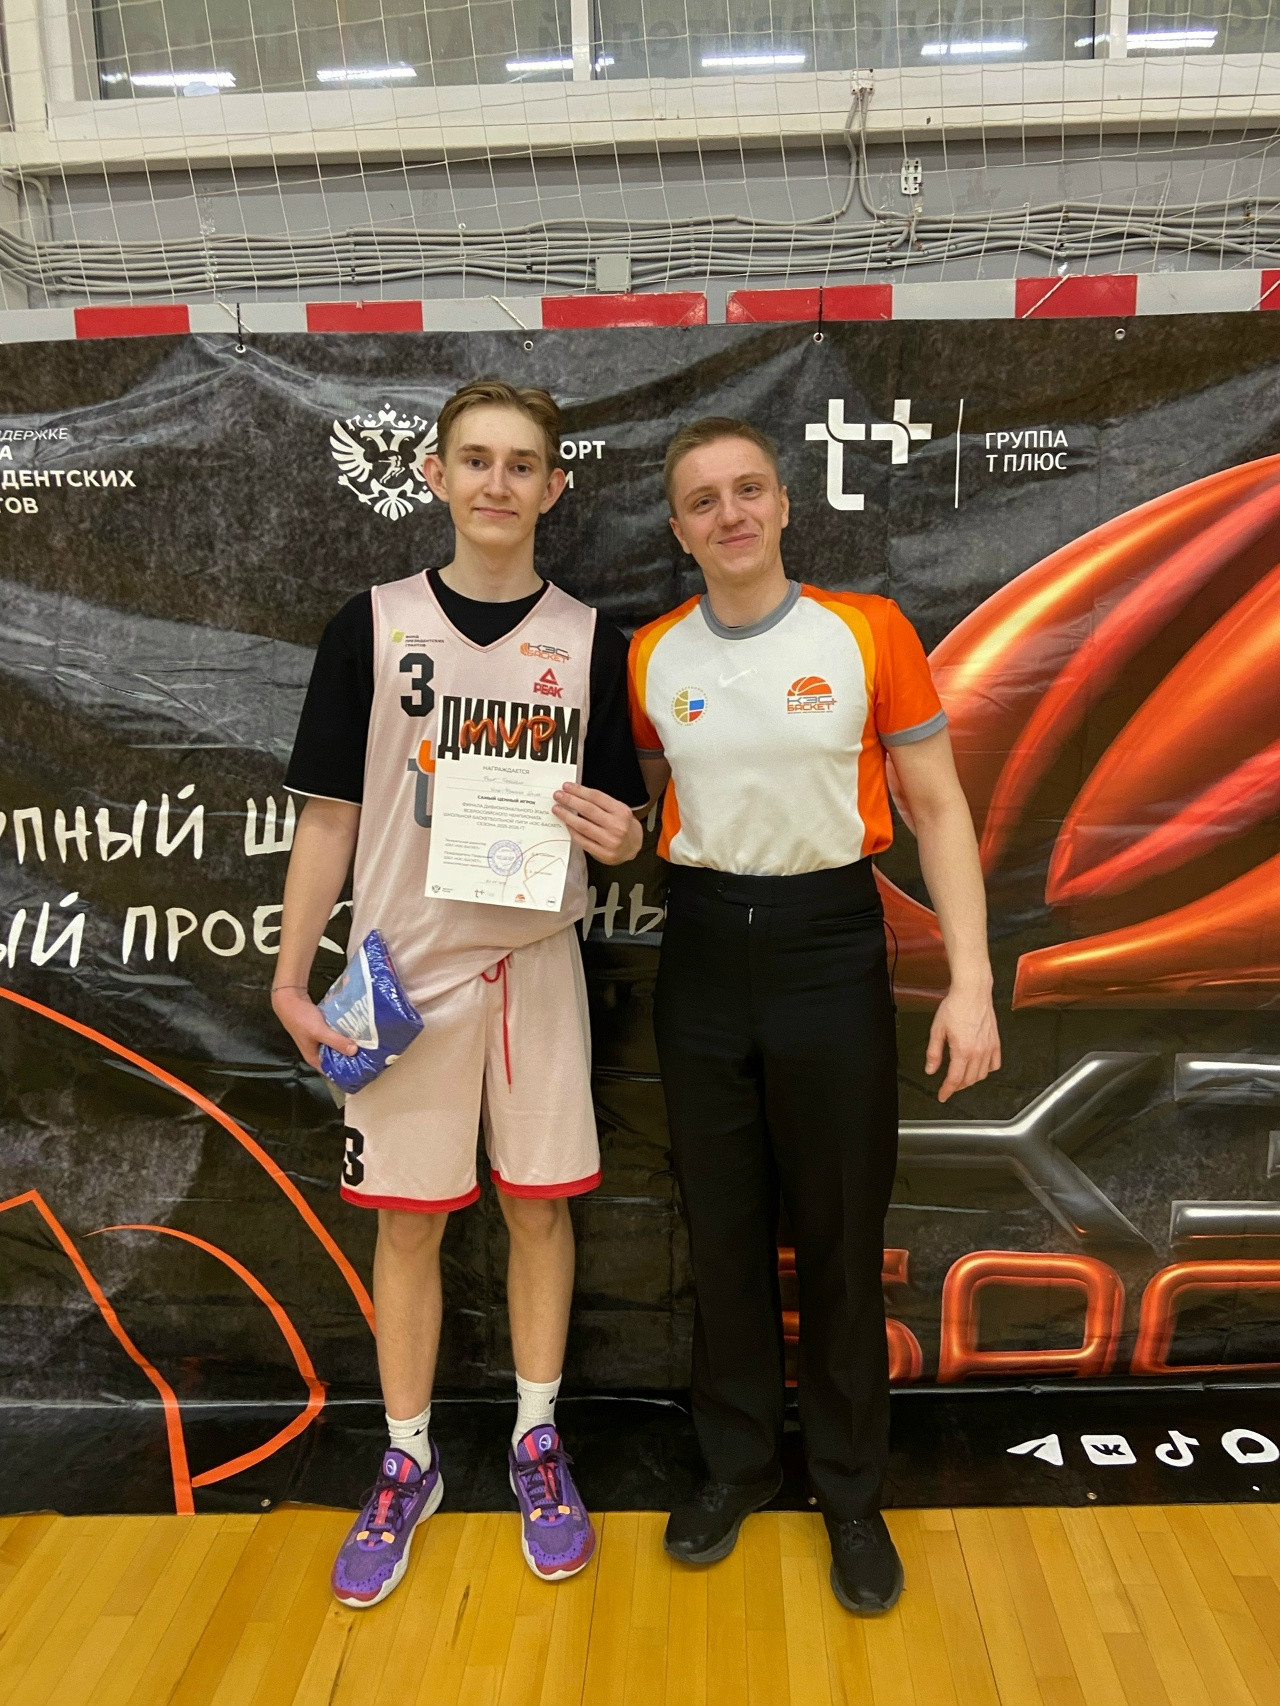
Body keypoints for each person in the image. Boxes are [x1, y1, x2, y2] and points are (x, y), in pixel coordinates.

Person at [273, 379, 647, 1608]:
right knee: (407, 1223)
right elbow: (329, 816)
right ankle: (409, 1457)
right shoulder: (370, 624)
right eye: (475, 459)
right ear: (433, 476)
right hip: (401, 975)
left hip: (534, 967)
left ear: (554, 486)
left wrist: (626, 837)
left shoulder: (590, 640)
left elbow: (621, 817)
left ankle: (536, 1438)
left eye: (521, 462)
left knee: (538, 1209)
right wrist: (289, 974)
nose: (497, 482)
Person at [628, 417, 1000, 1614]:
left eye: (747, 489)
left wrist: (972, 979)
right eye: (702, 499)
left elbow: (936, 807)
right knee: (721, 1227)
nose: (728, 513)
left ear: (785, 504)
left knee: (840, 1232)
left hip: (828, 941)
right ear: (678, 528)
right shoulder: (649, 654)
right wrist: (613, 833)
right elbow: (653, 809)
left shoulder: (866, 631)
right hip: (698, 946)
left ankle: (847, 1487)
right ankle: (736, 1465)